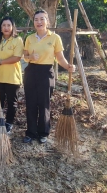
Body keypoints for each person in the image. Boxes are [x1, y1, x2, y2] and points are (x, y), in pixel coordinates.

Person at [23, 10, 75, 144]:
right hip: (31, 72)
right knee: (31, 104)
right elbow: (25, 56)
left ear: (47, 21)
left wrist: (68, 66)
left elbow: (60, 58)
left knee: (44, 104)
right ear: (34, 22)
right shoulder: (29, 38)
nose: (39, 22)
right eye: (36, 20)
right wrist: (30, 57)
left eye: (42, 19)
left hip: (46, 73)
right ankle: (30, 132)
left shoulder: (55, 38)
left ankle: (43, 133)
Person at [0, 16, 23, 134]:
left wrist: (0, 62)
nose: (6, 28)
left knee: (12, 102)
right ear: (0, 28)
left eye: (9, 25)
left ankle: (9, 122)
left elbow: (17, 57)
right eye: (4, 25)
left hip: (12, 77)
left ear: (13, 27)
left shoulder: (17, 40)